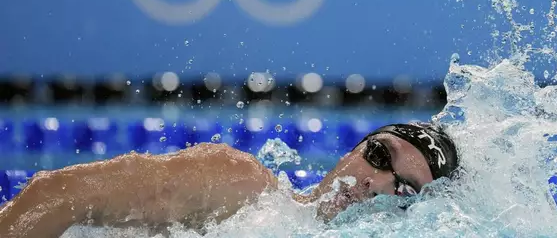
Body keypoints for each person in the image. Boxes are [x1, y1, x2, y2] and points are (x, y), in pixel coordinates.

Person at [0, 121, 459, 238]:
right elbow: (55, 194)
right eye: (379, 155)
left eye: (402, 190)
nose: (375, 183)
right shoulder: (239, 186)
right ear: (354, 148)